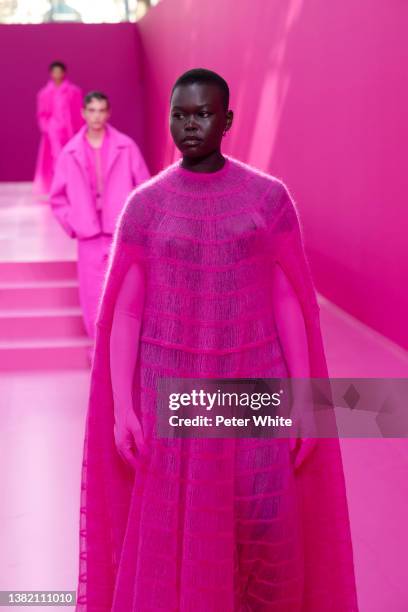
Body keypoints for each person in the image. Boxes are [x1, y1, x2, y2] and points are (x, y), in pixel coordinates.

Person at [76, 70, 358, 611]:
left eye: (203, 114)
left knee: (262, 525)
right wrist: (121, 409)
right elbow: (127, 313)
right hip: (171, 401)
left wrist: (304, 397)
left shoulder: (267, 199)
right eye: (180, 114)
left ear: (226, 121)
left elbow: (286, 302)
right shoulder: (146, 205)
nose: (190, 125)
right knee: (176, 532)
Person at [50, 91, 150, 342]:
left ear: (108, 113)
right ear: (83, 113)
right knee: (93, 296)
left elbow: (144, 190)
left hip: (120, 233)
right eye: (91, 110)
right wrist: (74, 223)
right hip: (89, 236)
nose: (96, 116)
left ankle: (123, 354)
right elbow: (57, 198)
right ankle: (98, 354)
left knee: (125, 293)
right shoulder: (70, 151)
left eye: (101, 110)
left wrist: (135, 224)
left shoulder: (126, 147)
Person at [34, 61, 83, 197]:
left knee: (71, 156)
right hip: (53, 130)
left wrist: (80, 129)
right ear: (51, 73)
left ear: (64, 73)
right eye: (54, 71)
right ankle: (57, 188)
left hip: (70, 130)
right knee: (56, 158)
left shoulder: (74, 91)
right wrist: (46, 128)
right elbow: (42, 113)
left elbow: (79, 111)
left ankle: (71, 186)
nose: (57, 74)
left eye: (59, 71)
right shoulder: (44, 93)